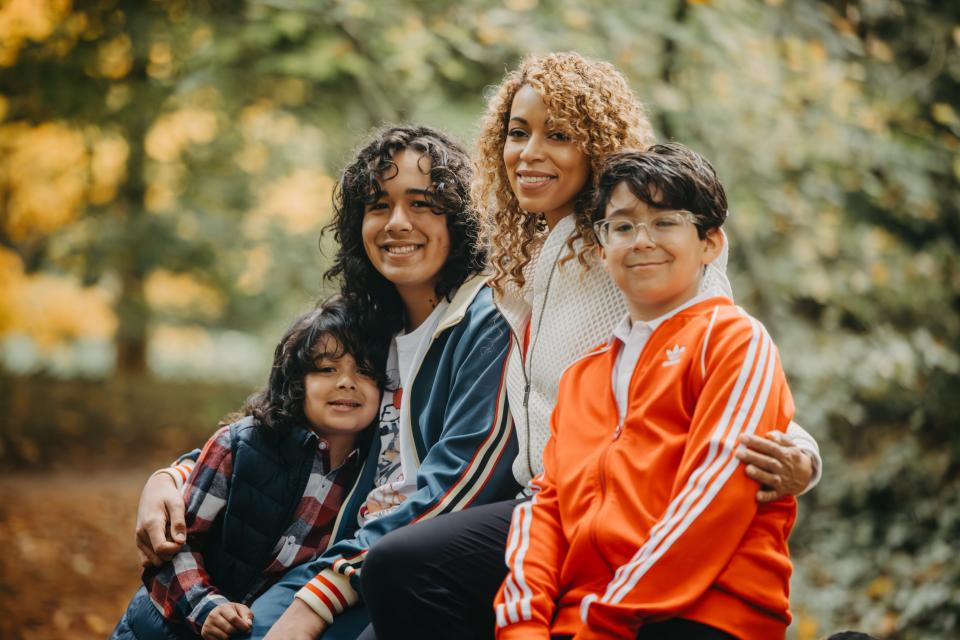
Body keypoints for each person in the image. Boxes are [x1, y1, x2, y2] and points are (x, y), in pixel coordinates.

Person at [360, 52, 822, 640]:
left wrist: (803, 456)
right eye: (518, 133)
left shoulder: (632, 243)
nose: (529, 153)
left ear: (596, 146)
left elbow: (720, 343)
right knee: (397, 576)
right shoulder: (527, 255)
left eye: (559, 135)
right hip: (551, 504)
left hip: (640, 506)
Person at [130, 125, 518, 639]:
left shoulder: (486, 320)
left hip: (401, 570)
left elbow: (461, 482)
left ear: (461, 219)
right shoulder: (368, 323)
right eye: (378, 205)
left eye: (423, 204)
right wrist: (173, 478)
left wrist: (317, 599)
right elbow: (277, 416)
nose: (397, 223)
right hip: (319, 557)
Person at [496, 143, 797, 640]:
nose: (641, 240)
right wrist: (523, 625)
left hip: (705, 614)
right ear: (601, 247)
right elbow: (544, 506)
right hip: (582, 619)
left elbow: (712, 499)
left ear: (710, 243)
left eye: (665, 222)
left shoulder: (733, 340)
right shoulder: (581, 377)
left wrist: (606, 623)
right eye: (622, 225)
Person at [111, 298, 387, 640]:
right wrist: (206, 606)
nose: (347, 382)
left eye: (364, 370)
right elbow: (175, 544)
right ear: (296, 382)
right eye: (327, 369)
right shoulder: (241, 446)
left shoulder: (376, 473)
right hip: (164, 628)